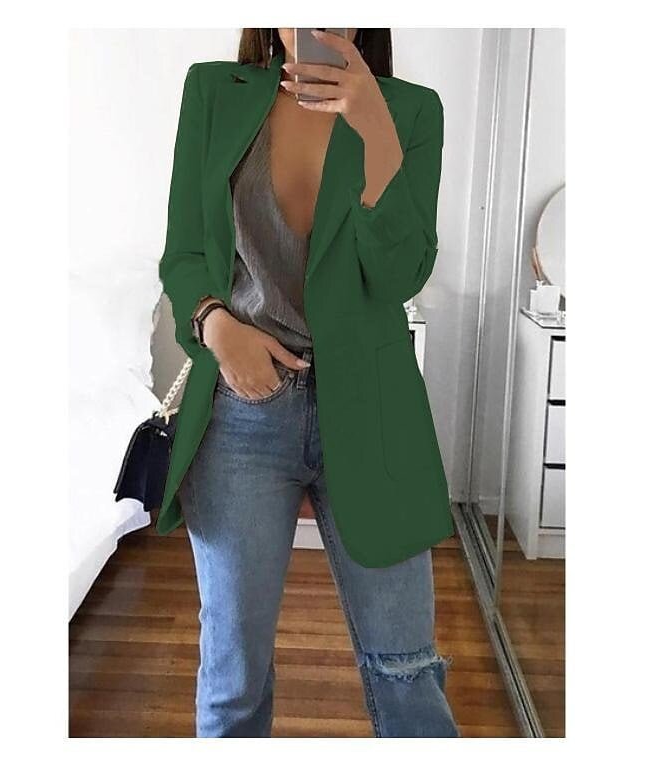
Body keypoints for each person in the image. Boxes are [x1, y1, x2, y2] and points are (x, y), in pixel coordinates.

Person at [163, 28, 460, 738]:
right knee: (232, 679)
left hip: (372, 408)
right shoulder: (214, 93)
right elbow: (184, 254)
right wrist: (217, 326)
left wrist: (376, 131)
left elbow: (399, 275)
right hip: (242, 411)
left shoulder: (411, 110)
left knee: (407, 672)